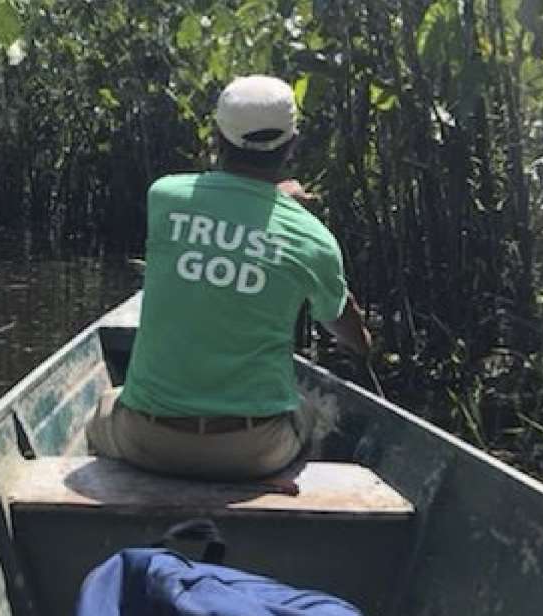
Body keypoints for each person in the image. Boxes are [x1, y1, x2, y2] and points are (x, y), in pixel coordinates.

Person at [87, 75, 372, 481]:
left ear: (218, 137)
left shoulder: (164, 196)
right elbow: (352, 339)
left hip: (147, 442)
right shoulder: (312, 238)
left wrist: (270, 202)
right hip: (254, 452)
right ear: (292, 145)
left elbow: (228, 207)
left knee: (104, 408)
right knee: (313, 413)